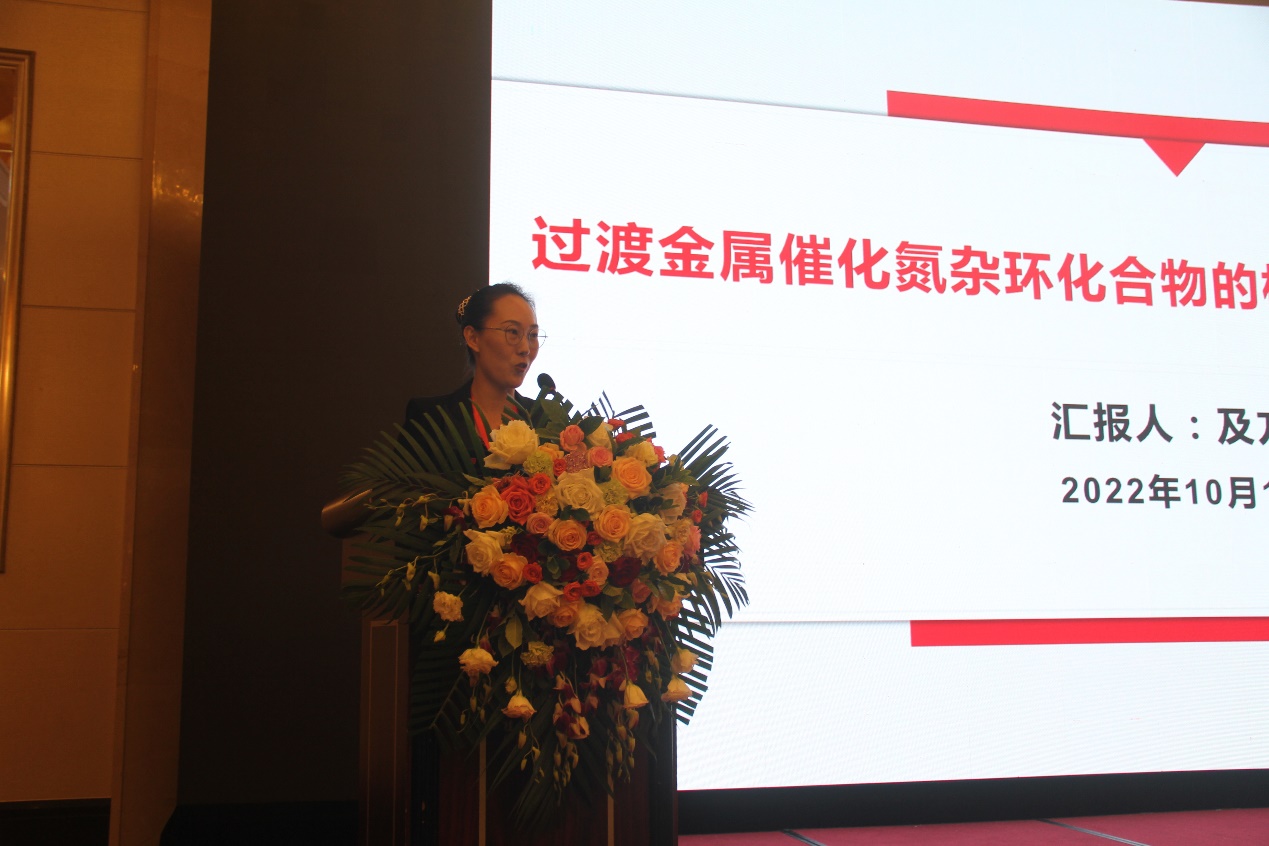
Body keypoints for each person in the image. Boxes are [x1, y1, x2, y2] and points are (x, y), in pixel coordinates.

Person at [403, 281, 542, 447]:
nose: (525, 348)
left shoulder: (544, 421)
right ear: (473, 338)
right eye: (512, 332)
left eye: (533, 335)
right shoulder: (432, 419)